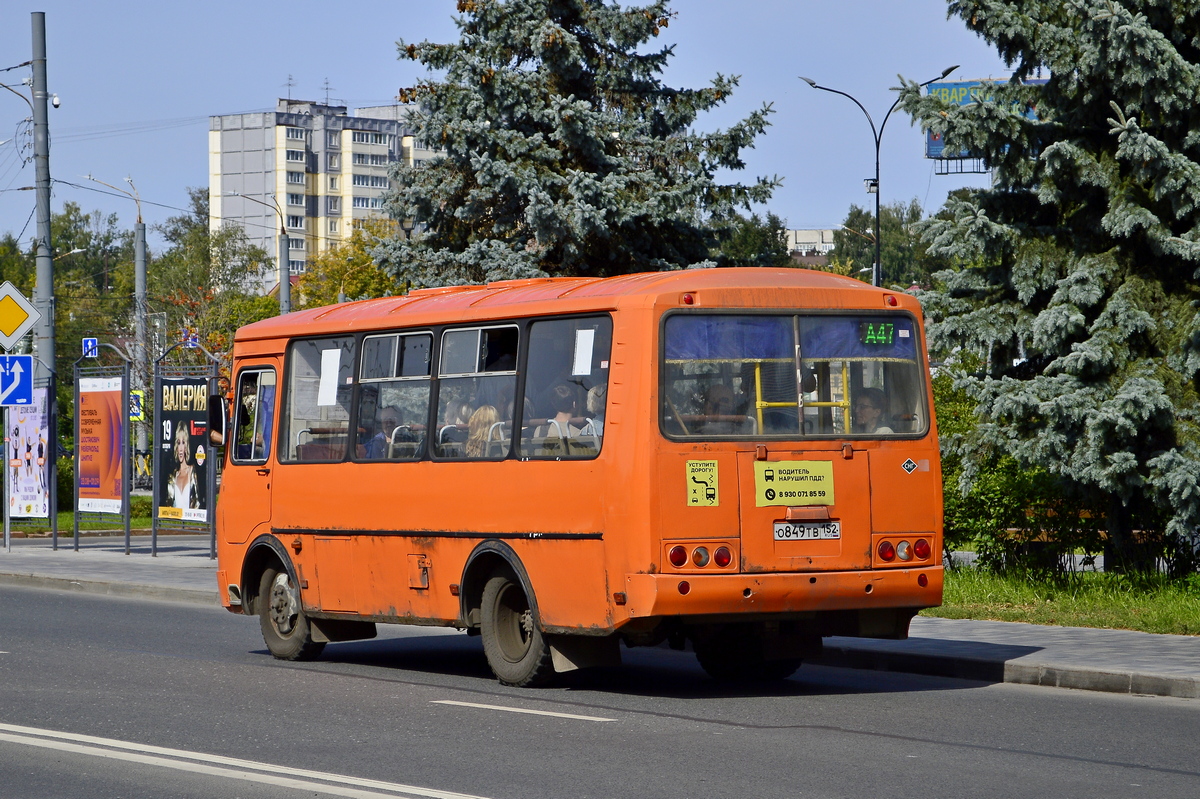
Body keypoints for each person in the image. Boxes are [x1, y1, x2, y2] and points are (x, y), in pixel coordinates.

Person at [166, 420, 200, 509]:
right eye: (178, 443)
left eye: (183, 443)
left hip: (192, 520)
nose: (180, 448)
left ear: (187, 446)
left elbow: (198, 502)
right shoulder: (173, 475)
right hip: (175, 520)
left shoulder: (193, 472)